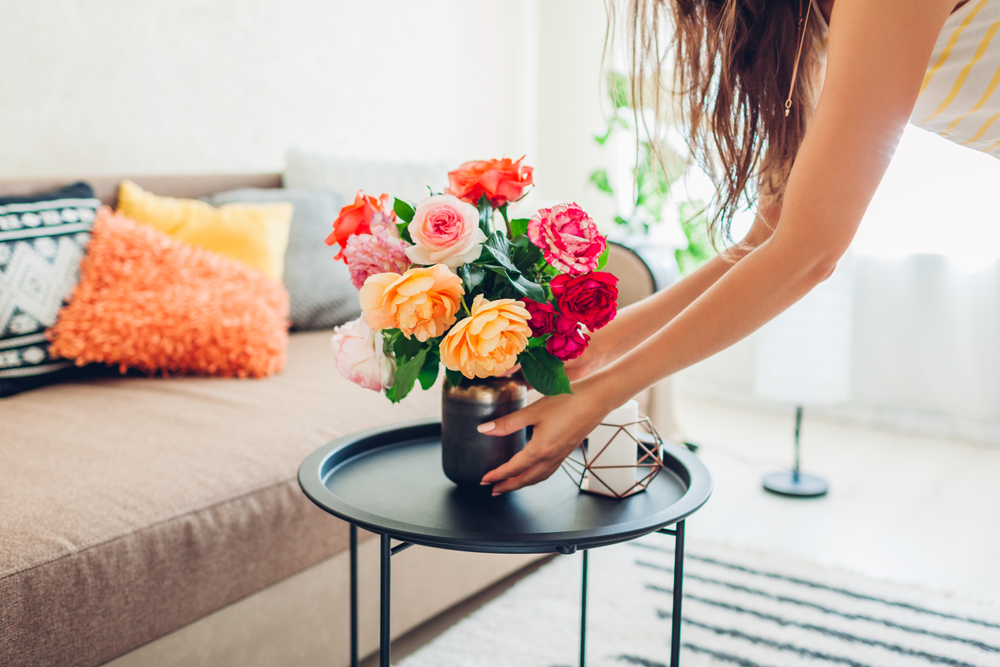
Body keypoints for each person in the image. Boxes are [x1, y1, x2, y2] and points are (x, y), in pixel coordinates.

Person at [480, 0, 999, 494]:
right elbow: (766, 239)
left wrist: (601, 393)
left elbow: (810, 253)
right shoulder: (802, 23)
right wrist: (602, 346)